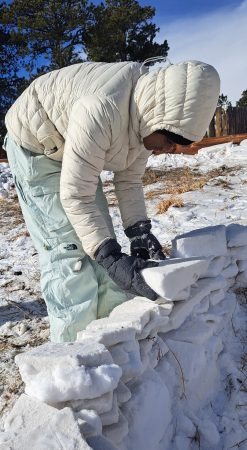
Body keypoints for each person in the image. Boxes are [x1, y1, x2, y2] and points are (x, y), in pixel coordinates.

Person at [4, 59, 220, 342]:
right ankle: (73, 361)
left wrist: (138, 231)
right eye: (170, 139)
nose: (170, 148)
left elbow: (128, 181)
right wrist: (109, 255)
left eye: (178, 142)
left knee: (101, 243)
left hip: (74, 149)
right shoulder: (102, 108)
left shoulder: (144, 118)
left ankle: (113, 343)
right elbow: (77, 195)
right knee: (70, 254)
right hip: (37, 146)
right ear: (157, 118)